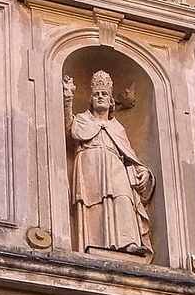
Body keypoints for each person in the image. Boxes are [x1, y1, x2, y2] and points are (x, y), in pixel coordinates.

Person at [63, 71, 155, 261]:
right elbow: (68, 128)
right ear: (91, 99)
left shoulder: (117, 128)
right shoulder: (82, 119)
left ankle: (128, 243)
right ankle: (94, 243)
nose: (100, 98)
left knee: (123, 198)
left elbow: (130, 155)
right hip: (89, 163)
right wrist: (68, 100)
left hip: (115, 166)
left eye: (104, 94)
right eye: (96, 94)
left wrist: (142, 171)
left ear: (111, 100)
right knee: (93, 203)